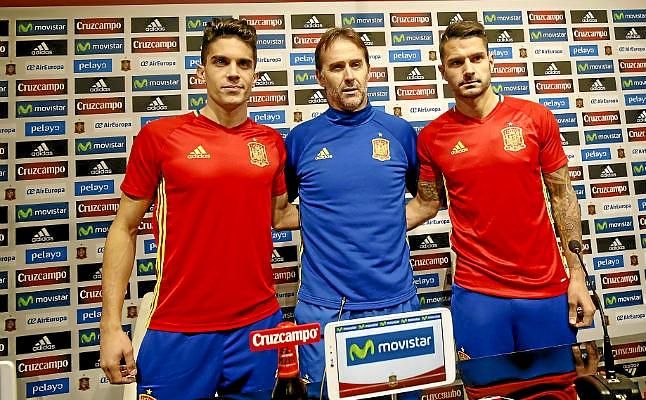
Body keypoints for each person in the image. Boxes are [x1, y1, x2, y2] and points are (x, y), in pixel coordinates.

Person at [99, 18, 298, 399]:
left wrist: (354, 212)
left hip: (258, 325)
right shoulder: (161, 136)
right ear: (200, 72)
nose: (233, 73)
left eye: (243, 64)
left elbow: (281, 215)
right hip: (178, 328)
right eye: (221, 62)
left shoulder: (271, 142)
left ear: (255, 75)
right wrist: (110, 325)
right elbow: (124, 227)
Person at [406, 21, 595, 399]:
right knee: (487, 393)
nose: (468, 69)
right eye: (456, 62)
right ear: (442, 70)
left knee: (557, 391)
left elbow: (562, 197)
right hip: (478, 295)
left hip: (545, 288)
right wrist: (357, 229)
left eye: (476, 58)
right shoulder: (431, 137)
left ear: (491, 61)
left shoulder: (536, 118)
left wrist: (577, 276)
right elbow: (426, 203)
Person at [285, 27, 419, 398]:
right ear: (320, 77)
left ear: (368, 69)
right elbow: (278, 213)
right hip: (326, 309)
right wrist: (327, 221)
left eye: (355, 65)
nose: (348, 75)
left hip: (396, 304)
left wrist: (386, 220)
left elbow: (427, 201)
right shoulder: (300, 139)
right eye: (336, 67)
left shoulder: (400, 132)